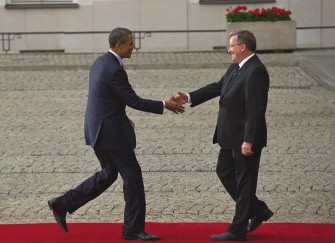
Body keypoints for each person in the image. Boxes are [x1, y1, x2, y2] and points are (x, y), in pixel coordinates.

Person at [47, 27, 184, 241]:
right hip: (111, 134)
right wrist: (164, 105)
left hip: (99, 129)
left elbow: (105, 96)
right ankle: (133, 229)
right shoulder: (114, 69)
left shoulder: (101, 62)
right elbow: (134, 100)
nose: (133, 47)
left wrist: (120, 114)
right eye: (130, 43)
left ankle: (63, 203)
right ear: (118, 45)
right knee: (133, 179)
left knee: (109, 173)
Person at [173, 30, 273, 241]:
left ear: (243, 47)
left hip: (245, 138)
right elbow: (218, 87)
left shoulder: (256, 71)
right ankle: (258, 209)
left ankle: (237, 230)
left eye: (231, 46)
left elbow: (256, 109)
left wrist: (249, 139)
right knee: (224, 171)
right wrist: (189, 97)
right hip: (229, 136)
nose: (229, 50)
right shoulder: (236, 67)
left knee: (245, 182)